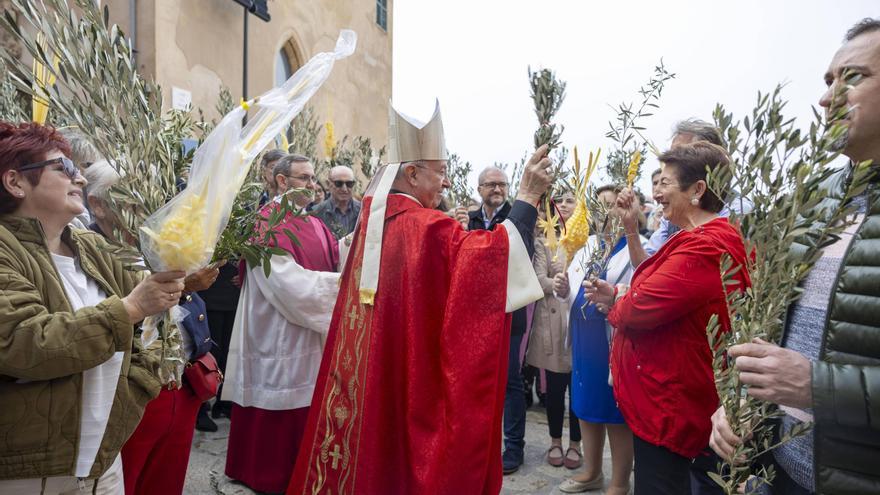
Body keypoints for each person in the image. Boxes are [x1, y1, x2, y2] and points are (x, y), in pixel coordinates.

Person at [286, 101, 550, 494]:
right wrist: (527, 197)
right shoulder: (424, 226)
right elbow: (489, 263)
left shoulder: (375, 223)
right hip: (410, 376)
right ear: (411, 173)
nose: (446, 183)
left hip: (370, 374)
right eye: (440, 173)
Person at [710, 18, 880, 494]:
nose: (828, 97)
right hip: (778, 474)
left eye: (853, 77)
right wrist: (736, 402)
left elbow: (804, 377)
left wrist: (817, 386)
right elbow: (770, 326)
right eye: (828, 81)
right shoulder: (811, 200)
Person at [0, 121, 185, 494]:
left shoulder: (91, 247)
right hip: (29, 468)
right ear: (16, 182)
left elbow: (153, 328)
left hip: (104, 461)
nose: (80, 179)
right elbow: (23, 340)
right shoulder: (6, 249)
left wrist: (133, 391)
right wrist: (129, 309)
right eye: (64, 168)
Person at [586, 142, 751, 494]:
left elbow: (641, 307)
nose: (655, 194)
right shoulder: (693, 239)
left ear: (697, 190)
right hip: (665, 403)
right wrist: (618, 293)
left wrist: (619, 304)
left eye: (665, 183)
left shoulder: (707, 245)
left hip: (671, 410)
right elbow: (661, 290)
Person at [82, 160, 219, 494]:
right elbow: (114, 311)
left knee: (166, 483)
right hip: (132, 391)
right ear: (97, 205)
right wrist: (184, 284)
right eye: (127, 193)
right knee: (125, 481)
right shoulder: (85, 248)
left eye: (143, 190)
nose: (141, 202)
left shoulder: (155, 239)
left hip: (181, 385)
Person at [223, 153, 341, 494]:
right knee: (281, 394)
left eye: (313, 177)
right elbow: (287, 284)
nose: (312, 184)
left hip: (306, 325)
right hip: (278, 326)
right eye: (304, 178)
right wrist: (339, 289)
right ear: (281, 181)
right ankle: (268, 474)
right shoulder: (267, 222)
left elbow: (334, 255)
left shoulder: (313, 221)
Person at [557, 185, 639, 495]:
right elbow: (570, 292)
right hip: (583, 339)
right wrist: (561, 288)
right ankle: (591, 472)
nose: (605, 213)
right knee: (585, 406)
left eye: (612, 205)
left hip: (613, 341)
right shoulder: (586, 245)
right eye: (599, 206)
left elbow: (639, 291)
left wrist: (613, 304)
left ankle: (619, 481)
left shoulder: (635, 246)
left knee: (615, 413)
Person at [466, 164, 531, 474]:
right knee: (478, 378)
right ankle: (480, 441)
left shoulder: (515, 219)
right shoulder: (470, 220)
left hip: (509, 312)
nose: (497, 189)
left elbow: (524, 257)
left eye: (502, 184)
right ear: (479, 189)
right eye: (490, 184)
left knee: (510, 380)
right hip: (475, 314)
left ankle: (514, 446)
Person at [525, 191, 582, 470]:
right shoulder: (544, 242)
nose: (564, 205)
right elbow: (538, 278)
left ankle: (577, 444)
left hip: (583, 323)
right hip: (554, 323)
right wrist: (556, 284)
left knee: (580, 389)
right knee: (556, 388)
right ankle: (556, 441)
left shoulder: (588, 242)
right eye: (559, 201)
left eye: (570, 200)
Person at [311, 165, 361, 238]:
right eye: (339, 183)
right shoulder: (316, 212)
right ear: (328, 184)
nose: (344, 189)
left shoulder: (363, 211)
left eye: (349, 184)